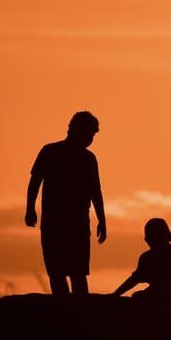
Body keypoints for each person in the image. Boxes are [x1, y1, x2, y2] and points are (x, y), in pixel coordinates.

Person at [25, 110, 107, 296]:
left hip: (76, 224)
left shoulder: (88, 159)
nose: (90, 139)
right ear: (76, 130)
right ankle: (65, 311)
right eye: (89, 134)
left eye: (92, 135)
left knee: (76, 274)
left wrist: (102, 220)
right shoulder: (50, 151)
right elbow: (35, 181)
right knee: (57, 272)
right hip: (55, 223)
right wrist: (30, 208)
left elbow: (95, 192)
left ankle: (78, 313)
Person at [111, 218, 171, 307]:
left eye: (158, 238)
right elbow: (134, 279)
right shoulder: (147, 258)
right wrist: (115, 294)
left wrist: (168, 288)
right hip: (166, 296)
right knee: (138, 297)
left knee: (139, 297)